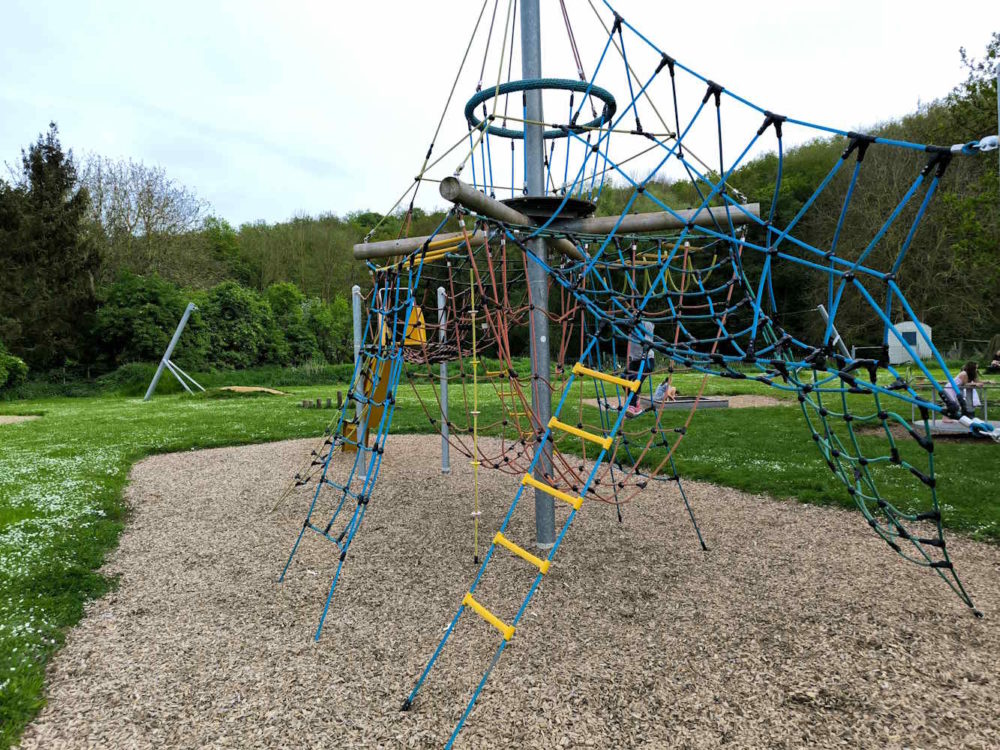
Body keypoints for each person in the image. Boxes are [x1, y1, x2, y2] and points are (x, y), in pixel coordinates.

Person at [625, 320, 655, 417]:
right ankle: (636, 402)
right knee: (623, 378)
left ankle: (633, 406)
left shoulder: (647, 324)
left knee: (635, 381)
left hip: (647, 359)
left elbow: (643, 327)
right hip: (634, 360)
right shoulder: (630, 324)